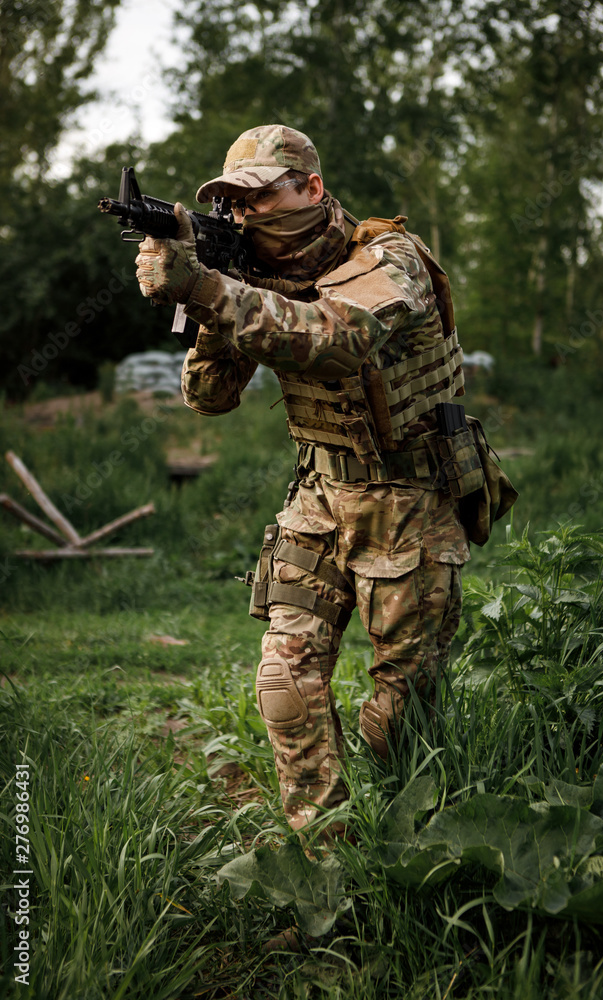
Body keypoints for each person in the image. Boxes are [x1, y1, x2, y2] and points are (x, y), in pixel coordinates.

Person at [134, 124, 473, 843]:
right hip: (317, 498)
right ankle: (327, 856)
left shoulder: (390, 256)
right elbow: (210, 398)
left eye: (261, 194)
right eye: (235, 203)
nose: (250, 213)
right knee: (285, 685)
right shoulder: (250, 277)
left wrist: (211, 286)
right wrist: (203, 301)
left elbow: (339, 337)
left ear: (312, 188)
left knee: (397, 719)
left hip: (407, 502)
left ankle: (415, 848)